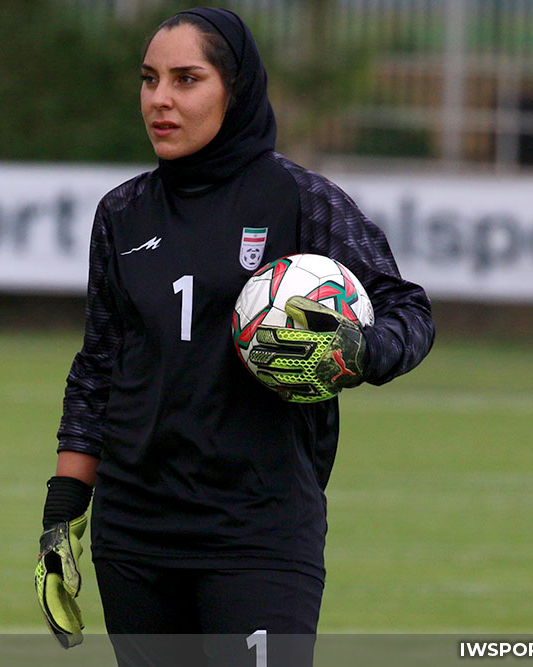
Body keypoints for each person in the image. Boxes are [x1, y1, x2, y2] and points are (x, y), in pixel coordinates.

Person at [34, 7, 435, 666]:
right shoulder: (122, 214)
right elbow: (100, 367)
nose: (160, 99)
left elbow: (408, 309)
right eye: (149, 79)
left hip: (259, 527)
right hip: (135, 532)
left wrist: (365, 350)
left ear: (235, 89)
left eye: (186, 79)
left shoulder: (300, 201)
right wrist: (61, 511)